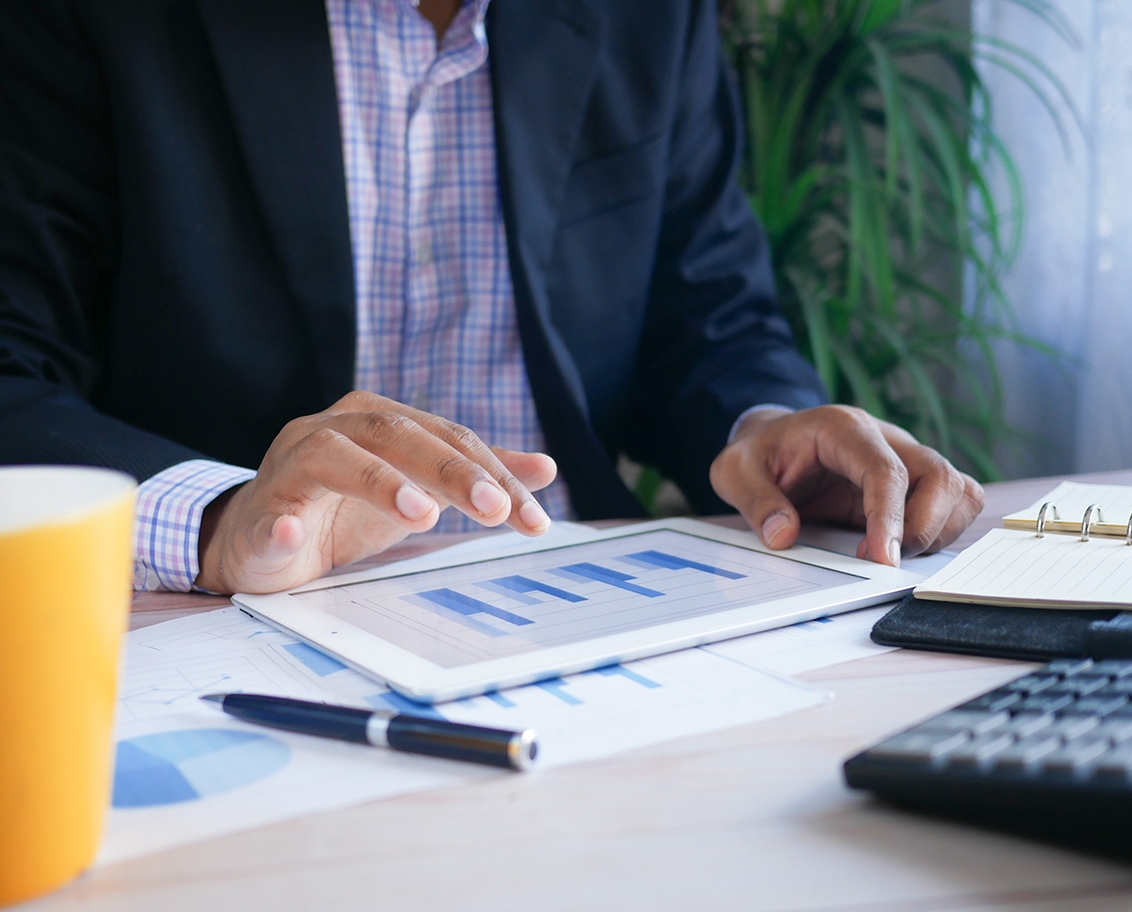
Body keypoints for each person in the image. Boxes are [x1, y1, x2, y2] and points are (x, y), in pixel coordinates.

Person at [0, 0, 983, 595]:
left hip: (574, 603)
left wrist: (766, 425)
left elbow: (706, 314)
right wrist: (222, 523)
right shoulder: (90, 18)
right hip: (223, 619)